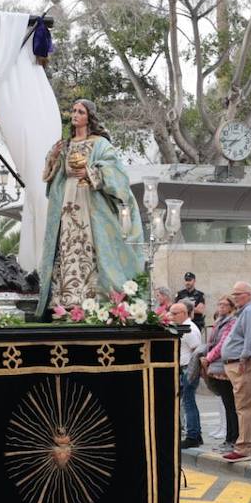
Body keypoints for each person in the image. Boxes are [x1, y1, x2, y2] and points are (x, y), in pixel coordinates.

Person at [36, 98, 144, 311]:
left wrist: (90, 172)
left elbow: (116, 173)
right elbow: (52, 179)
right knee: (67, 246)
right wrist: (53, 158)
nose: (75, 115)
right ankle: (66, 299)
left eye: (80, 112)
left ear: (89, 117)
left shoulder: (100, 144)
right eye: (73, 110)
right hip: (67, 201)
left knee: (89, 245)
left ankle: (93, 298)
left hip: (90, 201)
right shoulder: (66, 145)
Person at [221, 282, 251, 462]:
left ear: (248, 294)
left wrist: (243, 359)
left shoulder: (249, 312)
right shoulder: (247, 312)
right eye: (233, 294)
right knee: (249, 406)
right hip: (242, 363)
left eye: (238, 294)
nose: (235, 297)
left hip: (244, 365)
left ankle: (243, 447)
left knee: (244, 407)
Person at [204, 296, 240, 451]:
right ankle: (228, 438)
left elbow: (222, 344)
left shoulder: (231, 322)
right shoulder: (219, 321)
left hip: (224, 367)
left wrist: (209, 357)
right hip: (217, 367)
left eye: (224, 305)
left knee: (231, 404)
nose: (221, 307)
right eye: (219, 304)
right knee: (226, 403)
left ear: (231, 307)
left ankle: (233, 438)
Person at [168, 302, 204, 449]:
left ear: (184, 313)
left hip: (187, 369)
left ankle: (192, 435)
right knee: (188, 402)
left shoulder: (189, 329)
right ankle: (196, 433)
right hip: (184, 368)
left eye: (174, 314)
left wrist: (191, 372)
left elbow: (197, 351)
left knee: (188, 402)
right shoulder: (183, 327)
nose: (171, 317)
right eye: (170, 313)